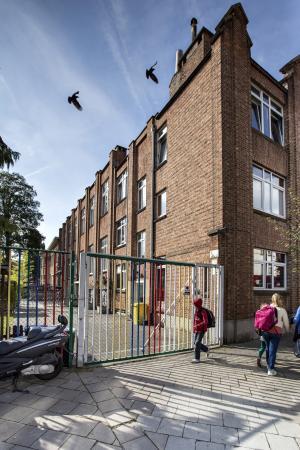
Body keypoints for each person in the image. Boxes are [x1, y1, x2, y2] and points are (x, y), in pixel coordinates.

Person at [262, 293, 289, 376]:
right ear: (280, 299)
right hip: (276, 333)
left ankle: (268, 365)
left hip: (265, 332)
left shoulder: (267, 308)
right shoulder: (282, 310)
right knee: (272, 350)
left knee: (268, 348)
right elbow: (286, 323)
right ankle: (271, 369)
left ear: (272, 299)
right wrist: (287, 330)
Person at [192, 295, 209, 363]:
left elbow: (206, 321)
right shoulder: (196, 310)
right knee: (195, 343)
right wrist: (194, 328)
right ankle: (206, 349)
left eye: (195, 305)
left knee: (197, 342)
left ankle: (197, 358)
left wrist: (198, 325)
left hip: (201, 329)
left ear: (198, 305)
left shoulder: (203, 311)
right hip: (197, 329)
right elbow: (195, 320)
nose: (195, 306)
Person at [256, 302, 267, 368]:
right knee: (269, 347)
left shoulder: (259, 314)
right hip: (267, 333)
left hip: (261, 333)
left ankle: (259, 358)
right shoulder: (267, 315)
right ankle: (270, 359)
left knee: (262, 347)